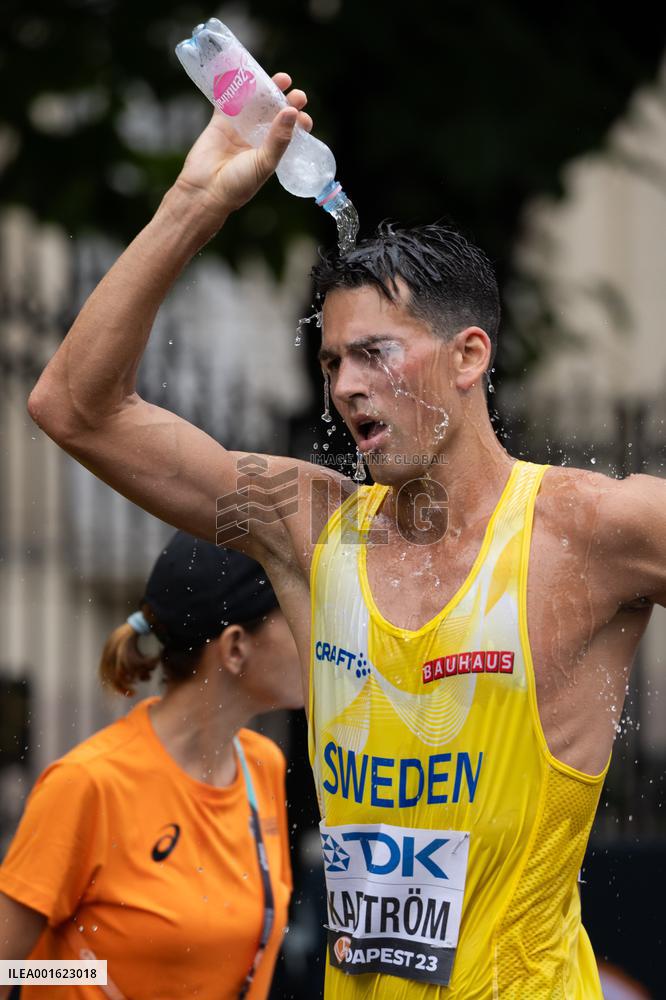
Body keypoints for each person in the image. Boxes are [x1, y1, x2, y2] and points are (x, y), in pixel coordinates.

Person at [25, 66, 666, 1000]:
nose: (345, 388)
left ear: (468, 357)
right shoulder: (309, 528)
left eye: (374, 353)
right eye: (331, 361)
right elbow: (75, 406)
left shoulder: (589, 529)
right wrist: (196, 199)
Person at [0, 532, 303, 999]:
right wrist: (87, 975)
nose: (315, 631)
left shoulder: (263, 765)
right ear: (236, 646)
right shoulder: (88, 783)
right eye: (294, 613)